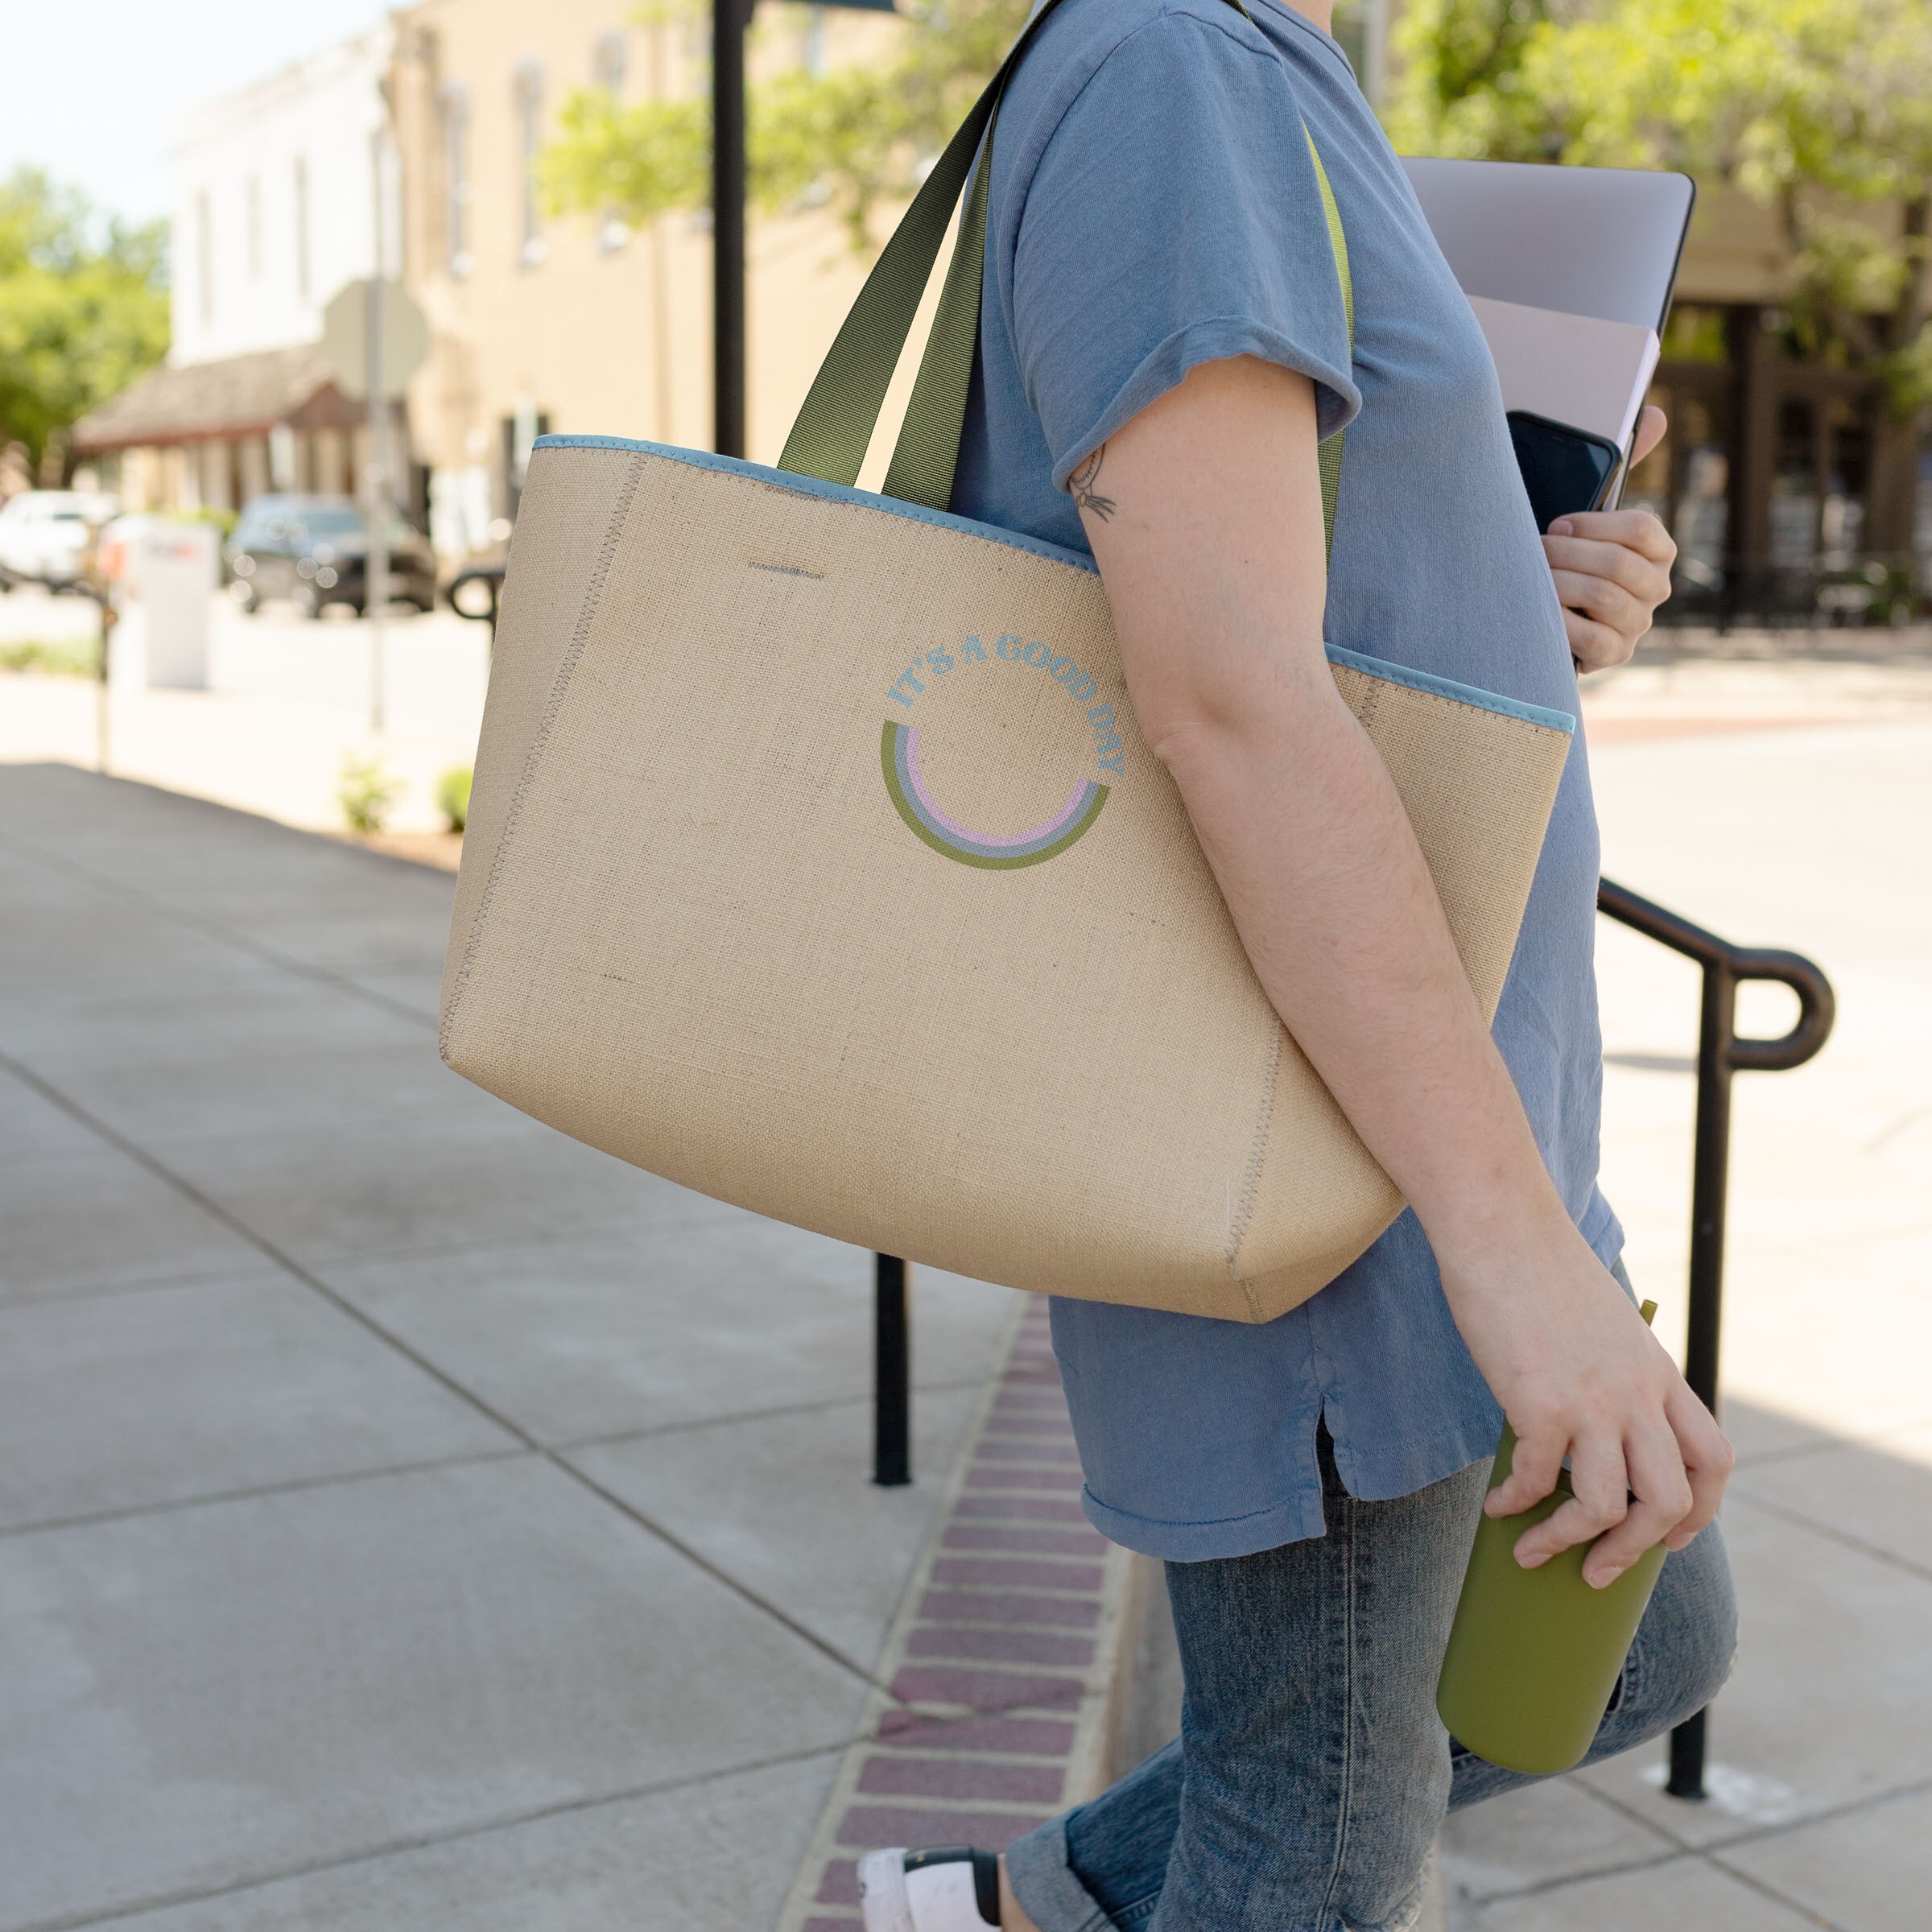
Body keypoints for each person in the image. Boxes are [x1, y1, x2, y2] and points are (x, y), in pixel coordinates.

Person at [856, 2, 1738, 1928]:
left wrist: (1510, 580)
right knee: (1317, 1825)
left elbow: (1297, 616)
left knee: (1645, 1642)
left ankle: (1002, 1909)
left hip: (1434, 1101)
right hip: (1330, 1144)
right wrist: (1509, 1247)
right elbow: (1232, 699)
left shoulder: (1264, 64)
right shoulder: (1179, 67)